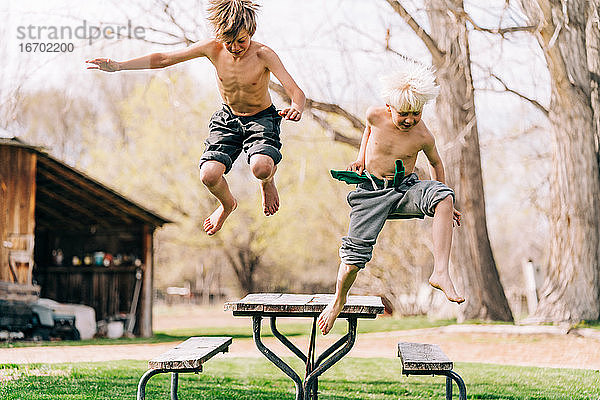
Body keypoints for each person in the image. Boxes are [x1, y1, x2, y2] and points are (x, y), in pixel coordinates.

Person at [86, 0, 305, 235]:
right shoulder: (213, 48)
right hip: (228, 119)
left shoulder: (264, 54)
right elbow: (164, 59)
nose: (235, 47)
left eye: (241, 41)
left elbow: (297, 92)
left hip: (261, 119)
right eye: (228, 42)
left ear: (251, 32)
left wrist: (296, 107)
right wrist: (120, 66)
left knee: (261, 168)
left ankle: (266, 182)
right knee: (208, 175)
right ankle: (227, 204)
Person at [317, 61, 464, 335]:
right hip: (371, 193)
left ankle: (441, 272)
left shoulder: (423, 135)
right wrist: (361, 158)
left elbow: (437, 165)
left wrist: (443, 200)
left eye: (416, 113)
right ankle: (339, 299)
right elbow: (369, 131)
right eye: (403, 114)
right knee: (352, 260)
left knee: (445, 196)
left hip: (403, 190)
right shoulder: (374, 115)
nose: (410, 120)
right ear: (389, 108)